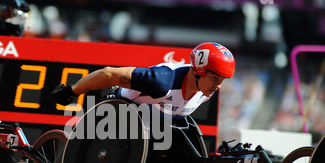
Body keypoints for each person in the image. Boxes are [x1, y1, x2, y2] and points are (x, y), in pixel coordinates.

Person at [52, 42, 235, 121]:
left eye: (222, 80)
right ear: (199, 71)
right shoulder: (160, 81)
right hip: (119, 109)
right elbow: (109, 74)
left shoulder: (204, 94)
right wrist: (72, 91)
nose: (218, 86)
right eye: (215, 78)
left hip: (156, 123)